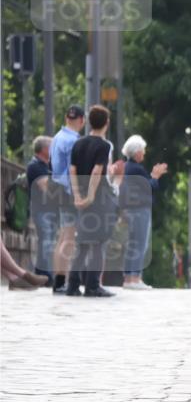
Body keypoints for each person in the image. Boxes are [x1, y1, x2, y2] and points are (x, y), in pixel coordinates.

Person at [67, 105, 123, 297]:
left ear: (89, 122)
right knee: (98, 242)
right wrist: (90, 196)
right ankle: (92, 285)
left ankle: (72, 285)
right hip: (98, 198)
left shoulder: (78, 143)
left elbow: (73, 170)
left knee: (82, 242)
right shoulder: (104, 145)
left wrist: (77, 196)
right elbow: (97, 171)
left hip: (80, 196)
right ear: (106, 123)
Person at [120, 134, 168, 290]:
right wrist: (155, 176)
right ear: (137, 152)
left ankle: (129, 277)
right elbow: (150, 187)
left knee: (133, 244)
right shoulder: (136, 169)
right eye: (143, 150)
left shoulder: (127, 167)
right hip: (139, 210)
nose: (144, 153)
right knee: (140, 244)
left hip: (132, 209)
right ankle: (134, 278)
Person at [48, 105, 87, 293]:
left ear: (66, 118)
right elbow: (74, 170)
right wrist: (78, 194)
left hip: (58, 189)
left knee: (63, 236)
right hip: (69, 190)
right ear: (81, 120)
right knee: (69, 238)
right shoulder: (74, 141)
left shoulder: (56, 138)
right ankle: (62, 282)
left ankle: (58, 280)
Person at [26, 136, 58, 284]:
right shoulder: (35, 165)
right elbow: (45, 187)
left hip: (50, 211)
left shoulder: (46, 166)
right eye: (52, 147)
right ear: (45, 149)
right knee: (46, 242)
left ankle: (43, 273)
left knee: (48, 242)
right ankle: (46, 274)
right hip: (42, 211)